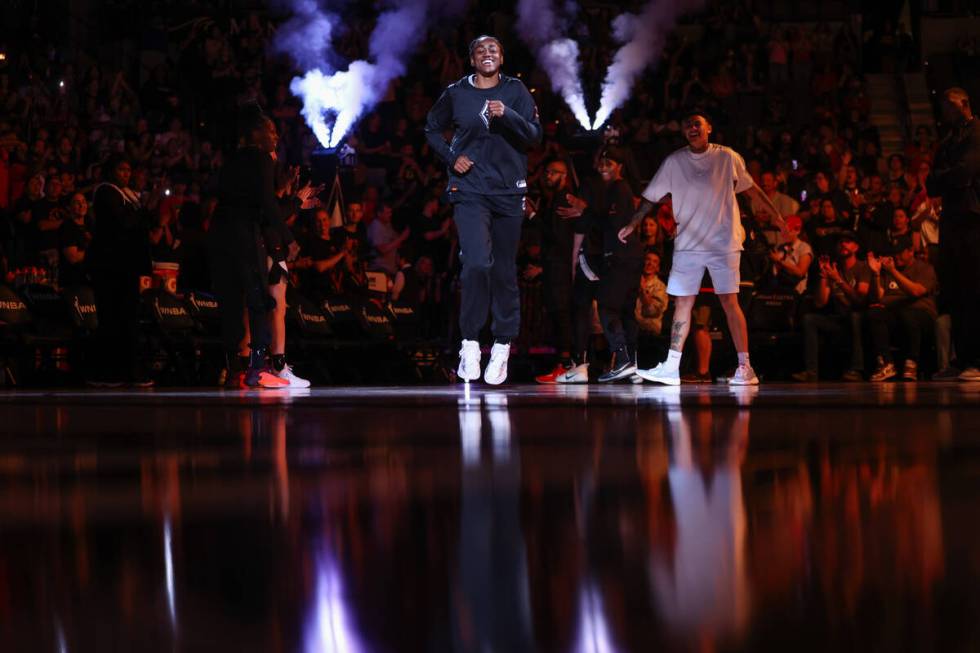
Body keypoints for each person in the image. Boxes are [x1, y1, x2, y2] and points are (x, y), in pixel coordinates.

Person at [621, 109, 784, 386]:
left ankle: (746, 368)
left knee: (729, 302)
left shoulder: (726, 156)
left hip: (724, 242)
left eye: (697, 124)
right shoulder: (674, 161)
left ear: (709, 128)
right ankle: (671, 367)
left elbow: (752, 189)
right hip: (688, 244)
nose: (692, 128)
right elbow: (651, 197)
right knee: (683, 302)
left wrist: (777, 216)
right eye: (687, 125)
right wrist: (633, 224)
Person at [425, 35, 541, 385]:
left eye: (494, 49)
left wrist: (508, 115)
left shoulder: (516, 91)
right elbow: (431, 128)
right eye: (480, 50)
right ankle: (470, 342)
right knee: (476, 262)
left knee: (504, 269)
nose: (487, 53)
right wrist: (450, 156)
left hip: (509, 190)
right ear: (472, 59)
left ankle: (503, 344)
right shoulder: (456, 92)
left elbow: (534, 137)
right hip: (470, 189)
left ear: (502, 57)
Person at [209, 105, 289, 389]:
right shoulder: (261, 159)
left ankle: (233, 370)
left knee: (231, 302)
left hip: (221, 234)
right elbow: (267, 202)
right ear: (255, 133)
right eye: (270, 131)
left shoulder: (230, 160)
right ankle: (257, 368)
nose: (275, 137)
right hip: (245, 234)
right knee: (257, 301)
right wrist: (288, 237)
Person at [926, 87, 980, 381]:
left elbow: (966, 172)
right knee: (956, 290)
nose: (944, 111)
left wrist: (944, 177)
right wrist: (947, 178)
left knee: (974, 288)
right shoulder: (948, 140)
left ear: (964, 103)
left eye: (948, 105)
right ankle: (963, 358)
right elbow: (931, 182)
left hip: (973, 219)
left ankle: (978, 359)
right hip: (952, 220)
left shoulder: (977, 133)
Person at [87, 155, 152, 387]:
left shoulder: (129, 195)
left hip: (125, 266)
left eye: (128, 169)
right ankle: (108, 372)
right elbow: (123, 223)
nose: (126, 174)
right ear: (111, 171)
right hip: (110, 266)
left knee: (127, 319)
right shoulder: (106, 191)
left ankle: (128, 371)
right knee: (113, 319)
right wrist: (145, 211)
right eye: (121, 169)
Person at [792, 233, 870, 381]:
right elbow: (820, 302)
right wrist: (824, 276)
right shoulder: (834, 268)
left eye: (848, 241)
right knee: (810, 319)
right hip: (839, 319)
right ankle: (811, 372)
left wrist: (838, 280)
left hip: (858, 317)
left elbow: (859, 300)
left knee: (854, 317)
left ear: (856, 247)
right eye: (841, 242)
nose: (843, 245)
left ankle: (856, 370)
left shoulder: (863, 267)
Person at [534, 159, 585, 384]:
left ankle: (566, 365)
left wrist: (533, 217)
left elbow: (556, 236)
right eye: (546, 172)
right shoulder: (555, 198)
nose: (547, 176)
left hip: (560, 265)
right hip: (556, 264)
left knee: (562, 314)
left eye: (553, 172)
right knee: (558, 314)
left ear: (564, 176)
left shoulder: (563, 198)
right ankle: (565, 364)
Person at [866, 237, 938, 381]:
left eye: (899, 253)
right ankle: (887, 364)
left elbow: (916, 291)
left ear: (910, 251)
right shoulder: (889, 270)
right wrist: (876, 274)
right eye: (894, 253)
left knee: (908, 313)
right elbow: (878, 297)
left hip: (923, 317)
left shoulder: (924, 268)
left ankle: (912, 362)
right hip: (897, 315)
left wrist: (893, 272)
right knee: (874, 313)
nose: (895, 256)